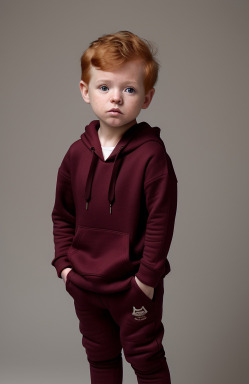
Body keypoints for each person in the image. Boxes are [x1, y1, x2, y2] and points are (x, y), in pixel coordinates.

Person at [51, 30, 178, 384]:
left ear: (147, 97)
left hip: (132, 287)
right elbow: (63, 214)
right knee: (101, 359)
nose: (116, 98)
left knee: (146, 359)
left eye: (130, 89)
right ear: (85, 91)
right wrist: (64, 265)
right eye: (105, 87)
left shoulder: (152, 156)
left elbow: (160, 221)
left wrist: (147, 282)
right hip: (85, 283)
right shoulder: (76, 154)